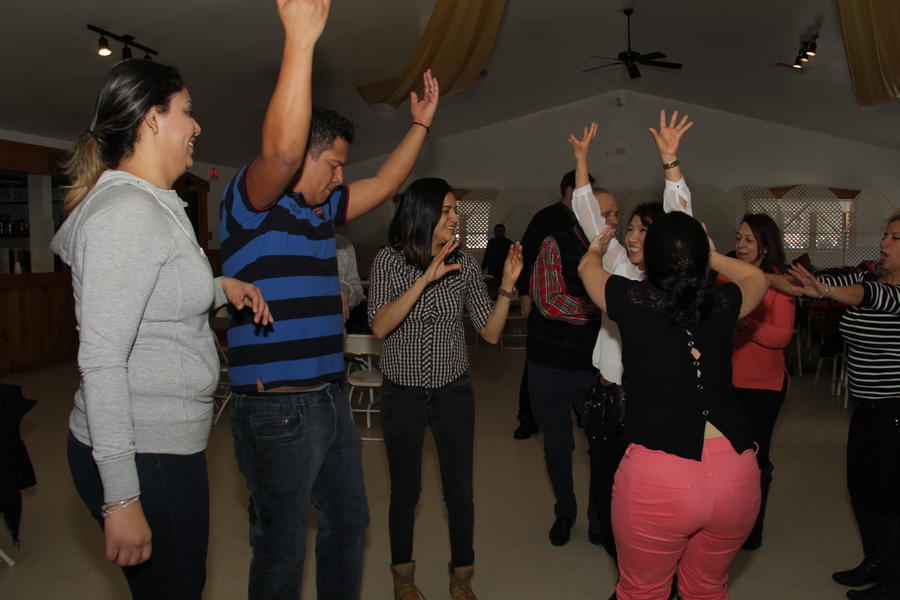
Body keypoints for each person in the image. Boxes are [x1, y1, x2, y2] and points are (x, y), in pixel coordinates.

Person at [219, 2, 440, 597]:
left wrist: (420, 125)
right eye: (334, 165)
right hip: (277, 407)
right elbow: (282, 154)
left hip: (330, 396)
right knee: (283, 543)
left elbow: (387, 184)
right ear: (306, 154)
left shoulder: (321, 211)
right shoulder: (252, 203)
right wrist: (301, 39)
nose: (341, 176)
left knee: (348, 523)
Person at [51, 58, 271, 599]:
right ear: (152, 118)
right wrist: (122, 498)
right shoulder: (126, 214)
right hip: (143, 450)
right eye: (186, 111)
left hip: (164, 442)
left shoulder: (155, 203)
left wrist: (219, 287)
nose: (197, 125)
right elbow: (102, 360)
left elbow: (158, 293)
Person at [578, 211, 768, 600]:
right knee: (707, 588)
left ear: (650, 257)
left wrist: (596, 250)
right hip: (736, 471)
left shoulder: (631, 299)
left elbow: (586, 269)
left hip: (660, 476)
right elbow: (755, 278)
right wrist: (710, 256)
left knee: (643, 591)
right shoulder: (722, 302)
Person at [368, 178, 521, 600]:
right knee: (405, 492)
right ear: (424, 213)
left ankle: (462, 576)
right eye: (448, 210)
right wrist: (424, 279)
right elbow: (379, 326)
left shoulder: (466, 264)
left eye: (456, 210)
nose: (456, 217)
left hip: (453, 391)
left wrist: (507, 286)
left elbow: (490, 333)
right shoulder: (389, 261)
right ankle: (403, 577)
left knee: (460, 492)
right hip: (402, 393)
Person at [569, 112, 693, 561]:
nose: (633, 235)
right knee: (605, 484)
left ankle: (648, 568)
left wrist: (670, 161)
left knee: (648, 495)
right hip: (609, 397)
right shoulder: (618, 265)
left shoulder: (671, 284)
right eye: (632, 227)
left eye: (644, 229)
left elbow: (682, 219)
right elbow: (589, 217)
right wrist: (581, 162)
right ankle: (621, 564)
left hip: (652, 402)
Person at [784, 213, 900, 600]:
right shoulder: (873, 281)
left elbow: (867, 297)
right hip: (867, 407)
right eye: (885, 235)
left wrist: (825, 291)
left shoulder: (887, 292)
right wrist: (758, 276)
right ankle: (874, 562)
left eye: (895, 238)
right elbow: (848, 289)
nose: (884, 243)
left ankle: (893, 582)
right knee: (861, 489)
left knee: (886, 498)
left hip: (894, 409)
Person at [527, 151, 620, 548]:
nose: (613, 222)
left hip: (596, 370)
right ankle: (565, 510)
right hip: (550, 365)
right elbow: (550, 301)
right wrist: (608, 306)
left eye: (615, 215)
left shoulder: (618, 254)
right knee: (558, 447)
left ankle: (600, 518)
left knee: (602, 446)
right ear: (586, 214)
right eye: (605, 214)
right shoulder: (556, 242)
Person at [512, 169, 600, 440]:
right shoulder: (547, 218)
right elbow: (526, 255)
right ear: (571, 191)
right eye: (586, 192)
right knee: (538, 364)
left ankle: (582, 413)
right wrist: (524, 293)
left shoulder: (589, 222)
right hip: (546, 302)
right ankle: (527, 418)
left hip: (580, 305)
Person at [727, 213, 795, 550]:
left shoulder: (779, 283)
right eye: (739, 238)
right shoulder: (725, 278)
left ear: (766, 247)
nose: (741, 245)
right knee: (726, 456)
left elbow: (780, 336)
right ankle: (728, 519)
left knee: (755, 457)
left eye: (749, 240)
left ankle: (753, 527)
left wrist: (745, 325)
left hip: (763, 386)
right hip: (726, 382)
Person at [336, 232, 365, 322]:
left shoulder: (344, 246)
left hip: (334, 326)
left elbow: (358, 292)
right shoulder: (296, 244)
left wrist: (345, 289)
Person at [481, 223, 513, 294]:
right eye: (497, 231)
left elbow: (512, 259)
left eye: (500, 231)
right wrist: (482, 268)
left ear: (504, 232)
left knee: (503, 291)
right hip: (493, 270)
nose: (498, 233)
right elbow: (486, 256)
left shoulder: (509, 244)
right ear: (494, 232)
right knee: (492, 290)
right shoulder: (491, 242)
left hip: (504, 271)